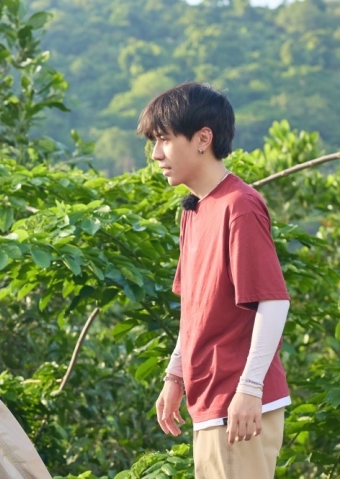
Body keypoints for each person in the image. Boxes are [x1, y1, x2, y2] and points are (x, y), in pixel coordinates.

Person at [136, 82, 291, 479]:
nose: (156, 154)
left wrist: (250, 388)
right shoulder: (195, 210)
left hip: (239, 406)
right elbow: (196, 310)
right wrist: (176, 375)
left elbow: (273, 302)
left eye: (165, 140)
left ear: (203, 138)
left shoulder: (238, 206)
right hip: (210, 404)